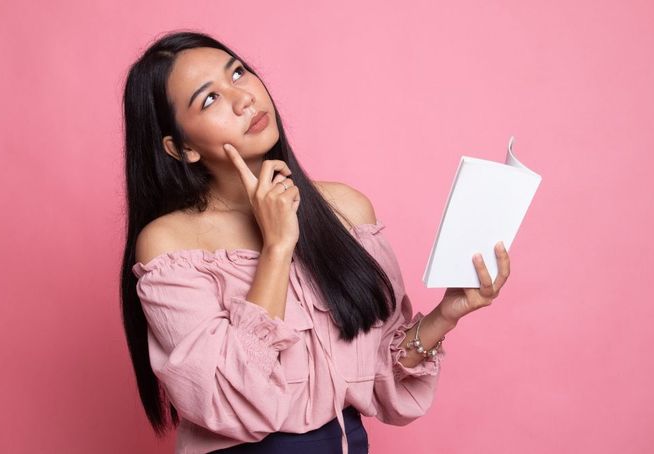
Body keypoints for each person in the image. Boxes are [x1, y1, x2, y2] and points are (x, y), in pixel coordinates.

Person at [120, 31, 511, 454]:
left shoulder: (345, 209)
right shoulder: (170, 246)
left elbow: (383, 376)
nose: (243, 98)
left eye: (238, 73)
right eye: (210, 99)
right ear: (181, 148)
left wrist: (446, 314)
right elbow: (230, 403)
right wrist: (276, 247)